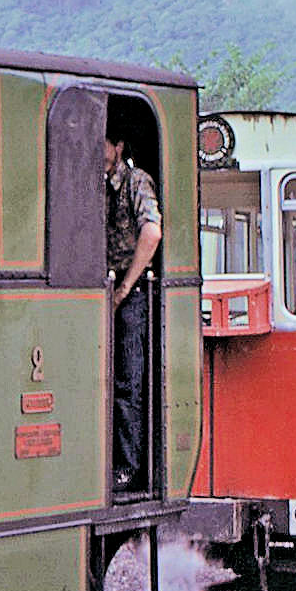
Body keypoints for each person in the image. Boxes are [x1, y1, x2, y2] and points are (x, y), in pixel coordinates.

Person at [105, 116, 162, 491]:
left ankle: (128, 467)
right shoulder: (95, 185)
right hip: (104, 288)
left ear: (119, 147)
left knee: (127, 382)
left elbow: (152, 233)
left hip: (131, 291)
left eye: (103, 143)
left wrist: (125, 287)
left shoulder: (136, 181)